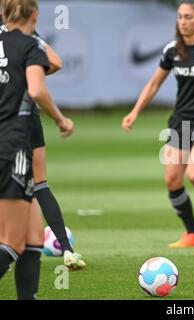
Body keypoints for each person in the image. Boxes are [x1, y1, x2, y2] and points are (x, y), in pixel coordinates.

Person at [122, 0, 194, 248]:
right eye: (180, 17)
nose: (182, 22)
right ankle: (193, 234)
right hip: (180, 121)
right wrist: (135, 112)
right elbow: (153, 84)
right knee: (173, 180)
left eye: (188, 17)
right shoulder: (172, 50)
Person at [0, 2, 85, 276]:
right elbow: (55, 64)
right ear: (33, 14)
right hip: (18, 131)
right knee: (38, 187)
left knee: (33, 235)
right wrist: (28, 69)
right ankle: (67, 249)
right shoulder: (28, 41)